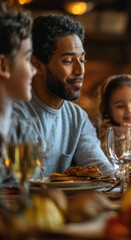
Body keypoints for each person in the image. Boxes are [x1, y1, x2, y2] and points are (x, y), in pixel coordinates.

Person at [12, 13, 115, 177]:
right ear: (37, 65)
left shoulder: (77, 118)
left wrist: (124, 180)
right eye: (68, 61)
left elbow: (100, 166)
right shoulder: (13, 115)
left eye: (82, 60)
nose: (80, 71)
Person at [0, 4, 36, 181]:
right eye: (28, 59)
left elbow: (30, 186)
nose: (34, 70)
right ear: (3, 65)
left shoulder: (22, 129)